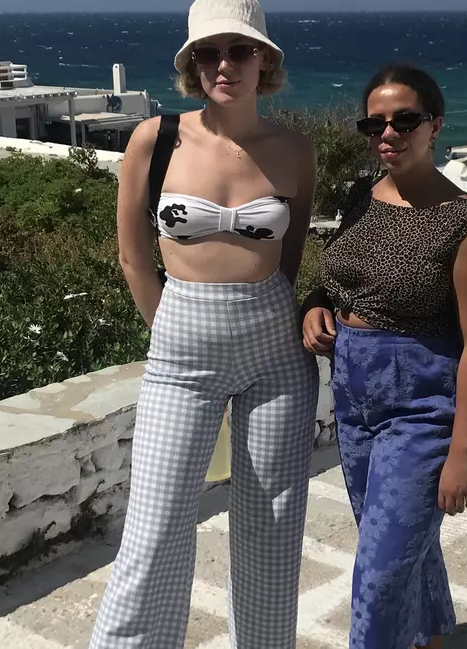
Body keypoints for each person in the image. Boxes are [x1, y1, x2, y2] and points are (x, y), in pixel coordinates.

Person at [88, 1, 320, 648]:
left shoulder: (295, 150)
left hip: (275, 352)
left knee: (270, 531)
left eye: (240, 51)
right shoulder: (155, 138)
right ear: (191, 64)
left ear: (264, 61)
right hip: (179, 351)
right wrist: (174, 330)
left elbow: (290, 257)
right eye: (209, 53)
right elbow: (134, 255)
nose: (225, 64)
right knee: (154, 530)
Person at [300, 63, 467, 649]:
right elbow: (344, 281)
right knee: (401, 545)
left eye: (404, 120)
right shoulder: (357, 200)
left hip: (420, 409)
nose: (388, 133)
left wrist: (463, 452)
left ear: (434, 125)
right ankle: (434, 638)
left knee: (378, 575)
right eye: (375, 123)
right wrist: (315, 305)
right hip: (354, 400)